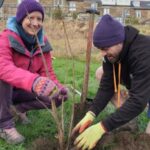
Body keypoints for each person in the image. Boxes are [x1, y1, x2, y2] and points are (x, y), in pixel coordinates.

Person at [72, 14, 150, 150]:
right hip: (143, 84)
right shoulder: (111, 55)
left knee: (147, 140)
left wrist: (102, 127)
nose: (102, 53)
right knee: (100, 72)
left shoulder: (143, 53)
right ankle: (128, 118)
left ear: (120, 40)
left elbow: (138, 102)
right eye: (100, 49)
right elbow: (107, 86)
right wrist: (92, 113)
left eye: (105, 49)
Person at [0, 0, 68, 145]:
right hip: (4, 91)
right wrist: (33, 81)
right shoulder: (6, 38)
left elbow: (47, 72)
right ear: (21, 19)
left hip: (21, 92)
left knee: (57, 97)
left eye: (39, 19)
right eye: (31, 18)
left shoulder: (42, 42)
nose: (36, 23)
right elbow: (3, 67)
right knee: (2, 77)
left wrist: (58, 88)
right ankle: (4, 124)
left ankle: (17, 110)